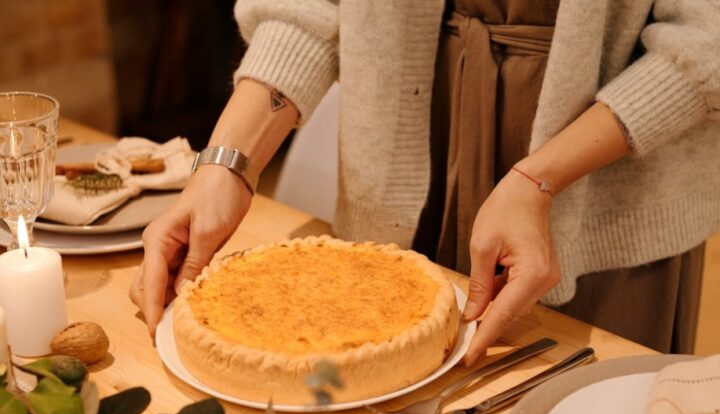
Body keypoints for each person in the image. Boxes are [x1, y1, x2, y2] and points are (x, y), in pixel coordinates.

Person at [130, 0, 720, 363]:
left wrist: (540, 179)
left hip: (611, 176)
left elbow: (705, 33)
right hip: (420, 130)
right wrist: (226, 166)